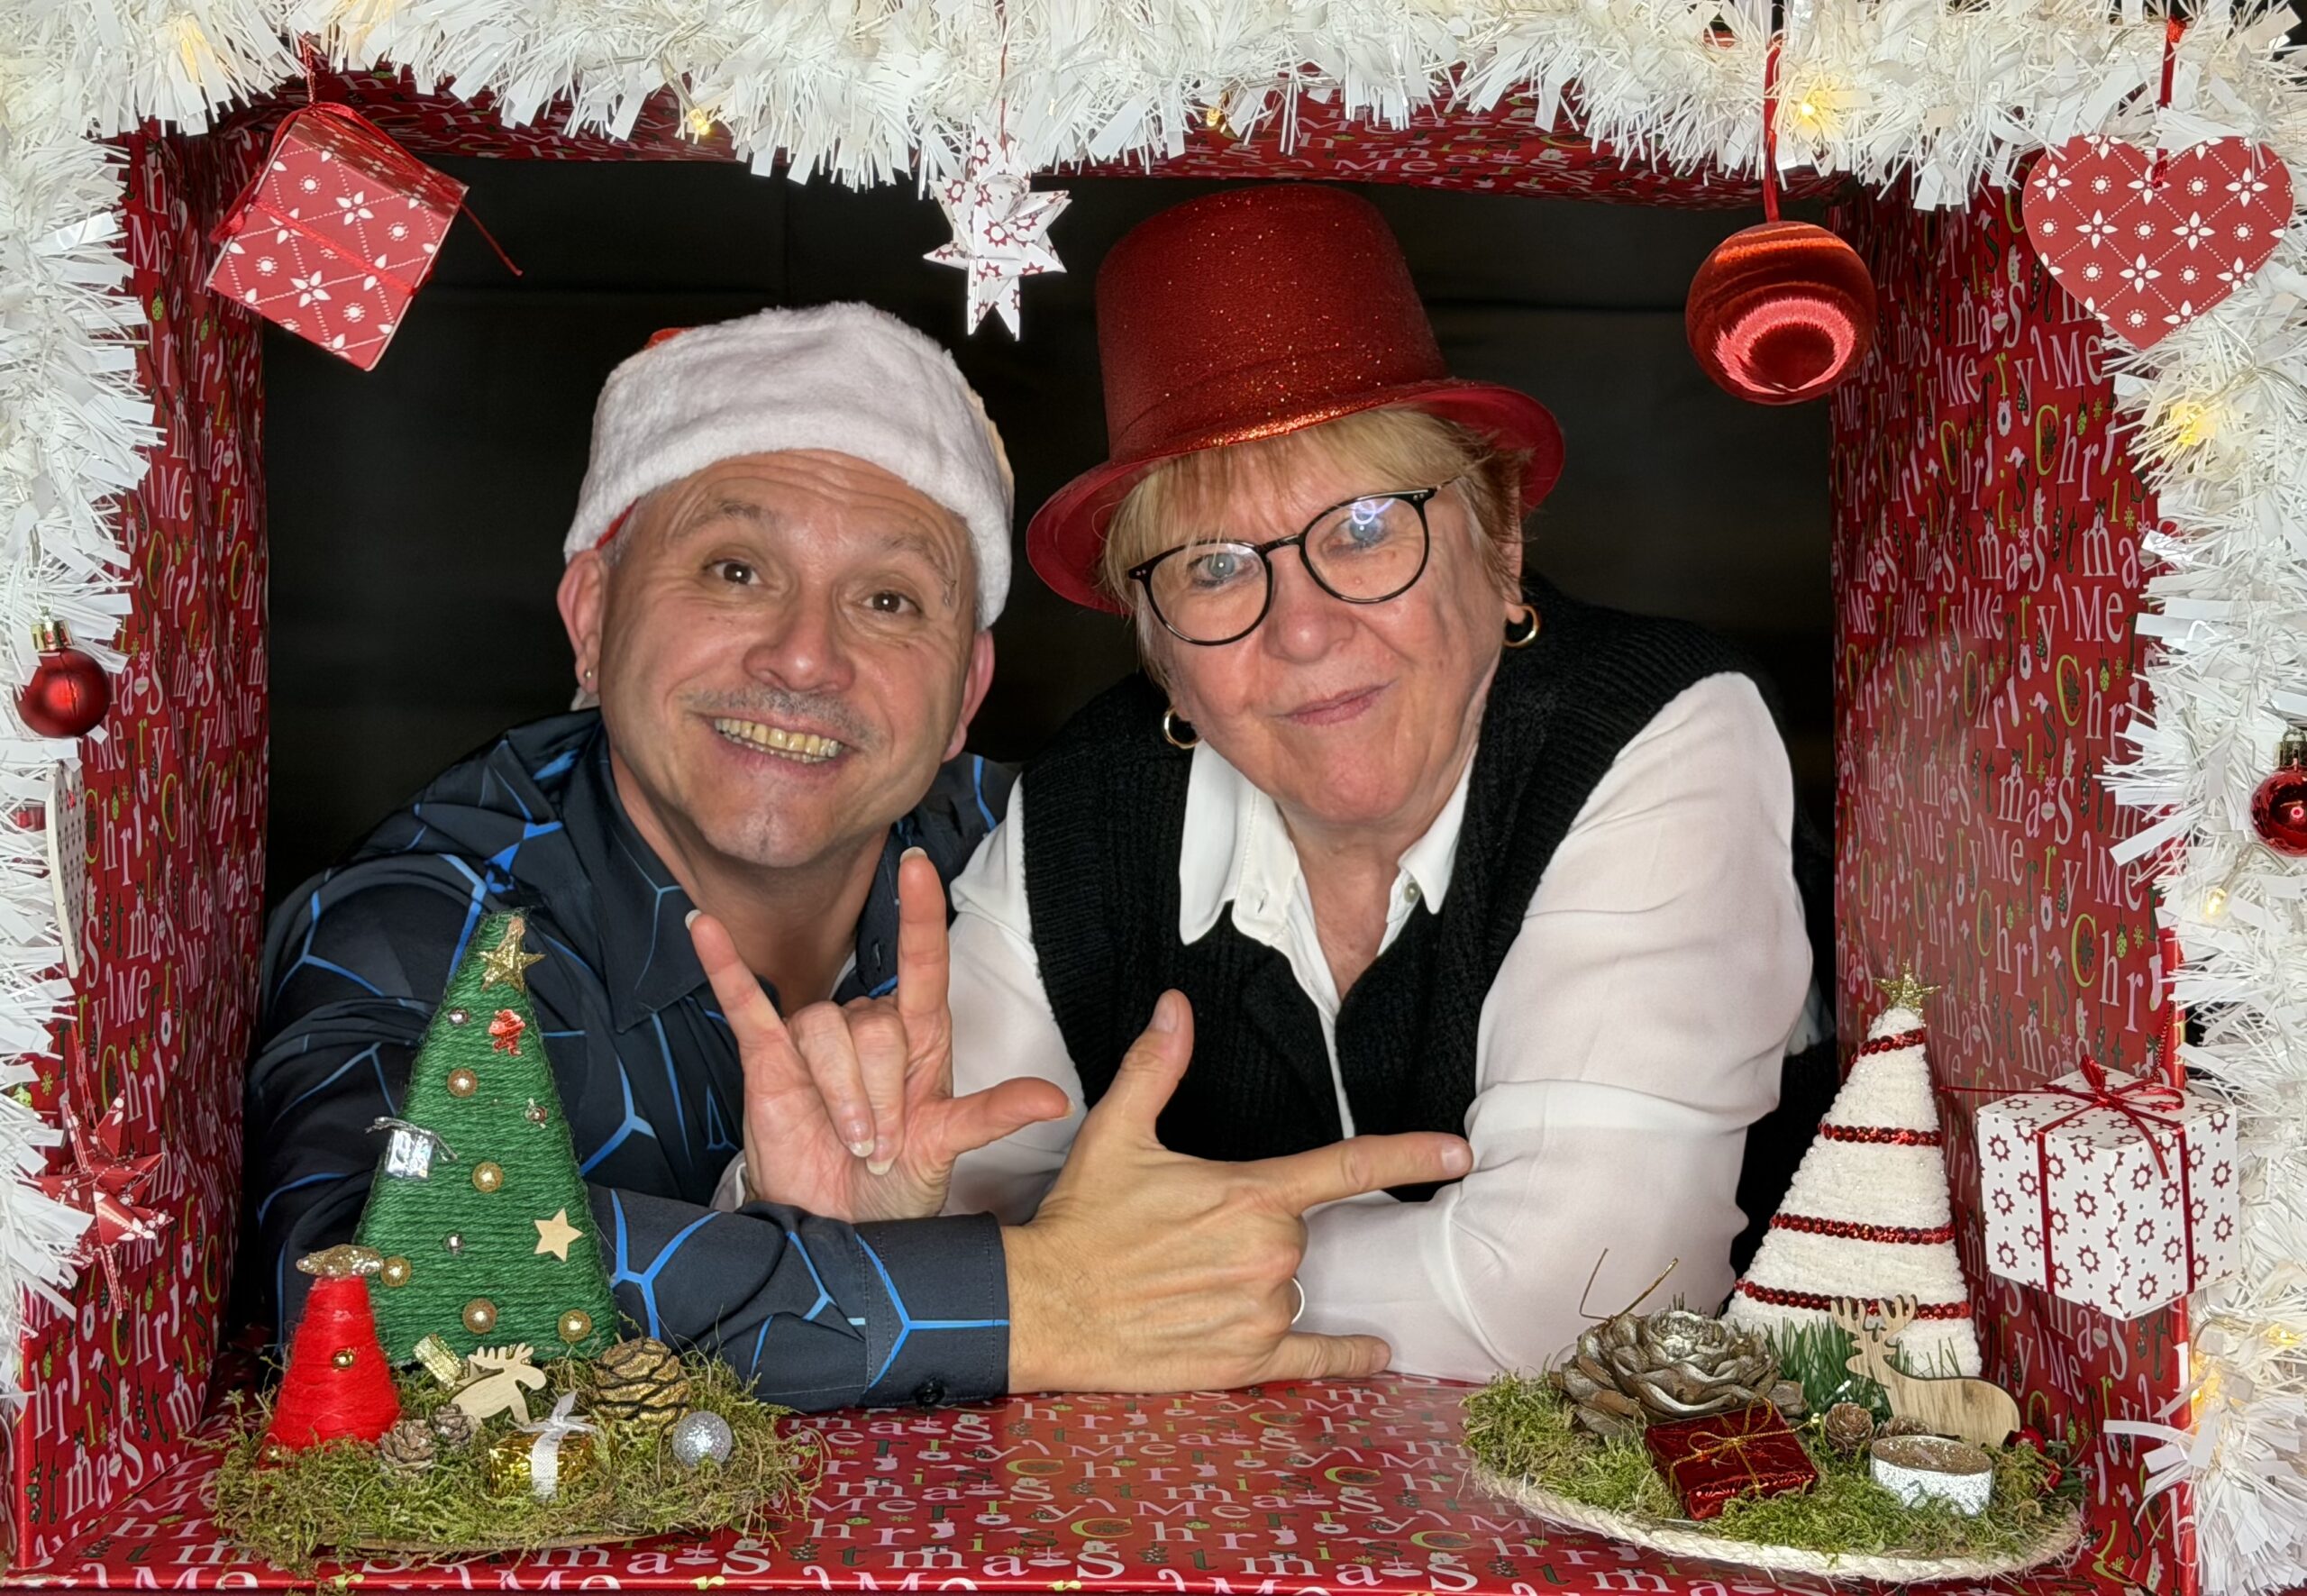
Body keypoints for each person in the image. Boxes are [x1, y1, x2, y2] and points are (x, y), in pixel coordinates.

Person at [243, 302, 1471, 1410]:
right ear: (592, 617)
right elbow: (364, 1281)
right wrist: (1028, 1302)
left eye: (889, 601)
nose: (804, 658)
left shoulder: (1076, 863)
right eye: (736, 571)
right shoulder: (421, 921)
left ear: (965, 695)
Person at [744, 187, 1830, 1382]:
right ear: (1162, 647)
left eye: (1365, 528)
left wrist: (1081, 1283)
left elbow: (1580, 1297)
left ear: (1500, 539)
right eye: (1214, 568)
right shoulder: (1084, 810)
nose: (1303, 631)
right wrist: (863, 1210)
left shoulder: (1659, 729)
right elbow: (933, 1190)